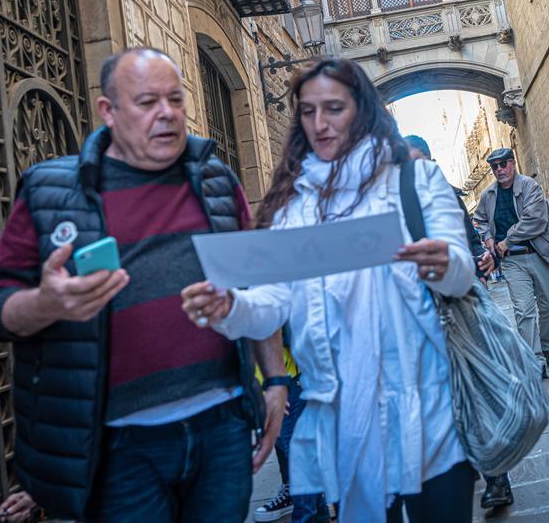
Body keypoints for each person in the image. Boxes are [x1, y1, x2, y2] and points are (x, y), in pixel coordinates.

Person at [0, 48, 287, 522]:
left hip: (221, 430)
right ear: (108, 111)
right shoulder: (49, 191)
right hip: (118, 449)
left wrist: (276, 381)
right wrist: (45, 303)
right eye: (147, 102)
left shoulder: (218, 182)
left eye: (175, 100)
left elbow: (256, 285)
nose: (167, 113)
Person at [179, 58, 477, 523]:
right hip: (346, 425)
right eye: (308, 111)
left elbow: (461, 273)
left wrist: (442, 263)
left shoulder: (414, 182)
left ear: (362, 111)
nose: (320, 123)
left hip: (428, 412)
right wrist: (230, 305)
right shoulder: (291, 206)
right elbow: (272, 304)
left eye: (334, 108)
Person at [404, 135, 513, 512]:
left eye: (420, 161)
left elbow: (468, 244)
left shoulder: (445, 194)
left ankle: (497, 477)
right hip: (415, 323)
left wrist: (481, 259)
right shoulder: (392, 199)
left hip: (456, 309)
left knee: (476, 391)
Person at [472, 148, 549, 376]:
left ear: (513, 163)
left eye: (503, 164)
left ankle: (546, 344)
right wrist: (490, 238)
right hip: (512, 262)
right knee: (523, 310)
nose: (500, 170)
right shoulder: (488, 195)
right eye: (495, 167)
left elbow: (535, 219)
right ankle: (535, 359)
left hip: (538, 253)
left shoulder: (529, 187)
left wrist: (506, 241)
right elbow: (480, 219)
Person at [253, 332, 331, 523]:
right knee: (292, 452)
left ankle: (305, 516)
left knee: (298, 457)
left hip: (290, 378)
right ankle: (318, 514)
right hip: (268, 381)